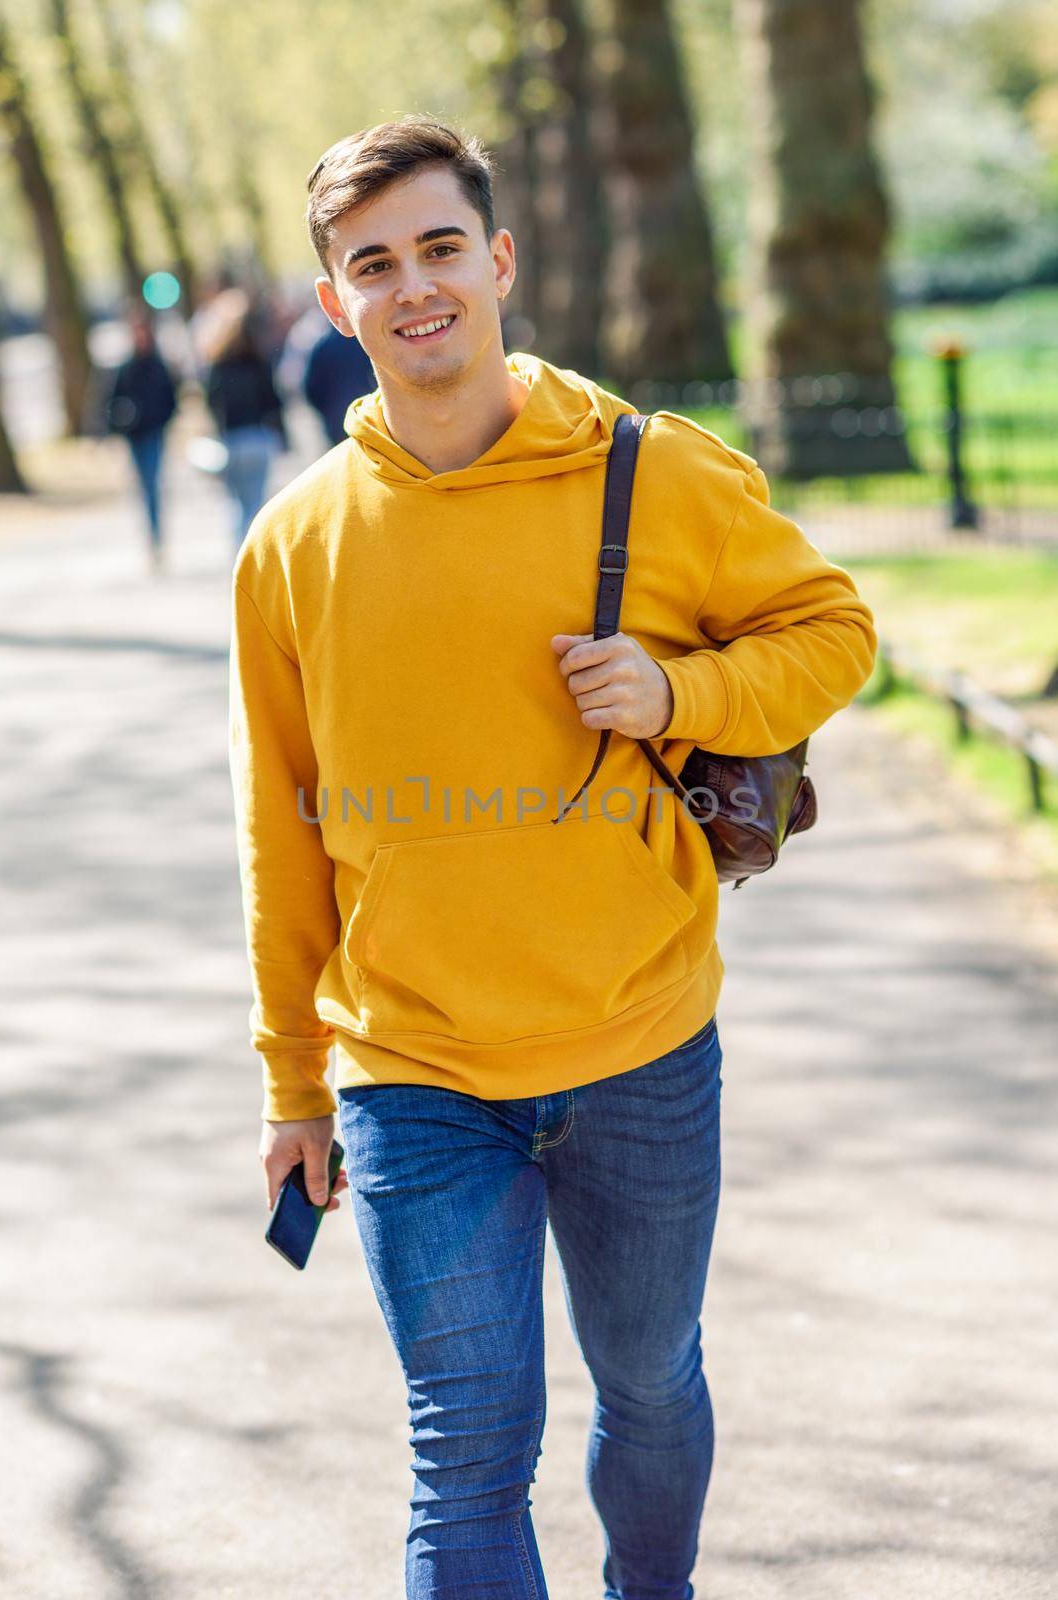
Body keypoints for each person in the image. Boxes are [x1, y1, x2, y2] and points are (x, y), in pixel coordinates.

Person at [227, 117, 878, 1599]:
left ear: (499, 260)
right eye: (373, 265)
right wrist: (290, 1085)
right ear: (335, 302)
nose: (415, 290)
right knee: (465, 1451)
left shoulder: (651, 474)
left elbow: (833, 628)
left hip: (640, 1039)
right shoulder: (293, 545)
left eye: (441, 249)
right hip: (415, 1068)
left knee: (650, 1385)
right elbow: (277, 831)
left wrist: (681, 695)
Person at [200, 290, 286, 549]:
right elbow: (273, 400)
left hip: (231, 439)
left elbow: (210, 403)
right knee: (256, 503)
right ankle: (254, 558)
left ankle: (241, 556)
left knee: (235, 505)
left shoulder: (216, 365)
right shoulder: (258, 359)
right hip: (257, 437)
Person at [105, 310, 178, 572]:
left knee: (153, 485)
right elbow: (111, 401)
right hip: (134, 436)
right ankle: (152, 539)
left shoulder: (158, 365)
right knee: (144, 487)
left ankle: (157, 537)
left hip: (154, 434)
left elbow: (172, 399)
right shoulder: (125, 367)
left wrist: (160, 419)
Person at [301, 316, 377, 447]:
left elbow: (311, 388)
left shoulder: (322, 344)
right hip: (368, 416)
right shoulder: (364, 341)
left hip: (336, 420)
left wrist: (326, 411)